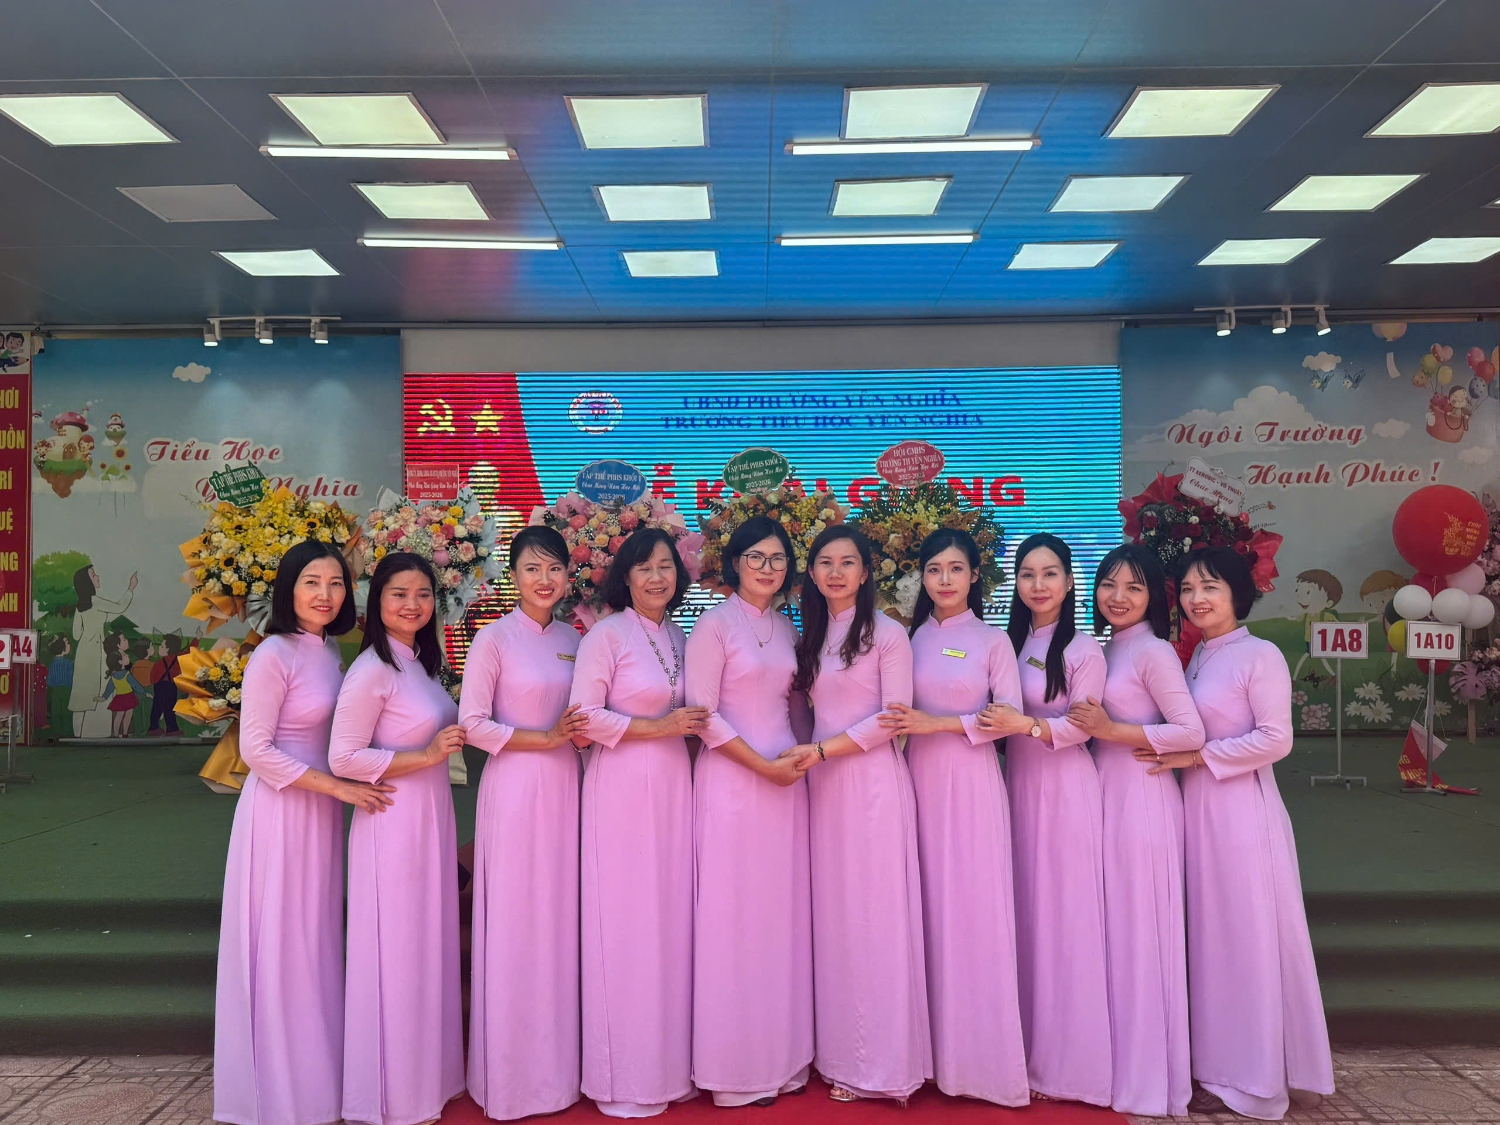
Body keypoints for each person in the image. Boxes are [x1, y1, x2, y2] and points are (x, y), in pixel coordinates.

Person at [1144, 547, 1333, 1120]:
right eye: (1189, 589)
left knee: (1246, 941)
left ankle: (1255, 1079)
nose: (1197, 599)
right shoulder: (1198, 656)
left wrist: (1197, 758)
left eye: (1211, 587)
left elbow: (1276, 739)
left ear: (1237, 593)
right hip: (1198, 814)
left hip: (1242, 815)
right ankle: (1217, 1065)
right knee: (1212, 940)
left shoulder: (1261, 654)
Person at [214, 539, 394, 1125]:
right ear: (288, 589)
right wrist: (337, 788)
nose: (325, 594)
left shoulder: (330, 650)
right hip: (282, 811)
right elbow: (255, 750)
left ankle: (316, 1079)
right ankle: (279, 1093)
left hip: (320, 811)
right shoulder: (274, 653)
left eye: (336, 583)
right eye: (312, 582)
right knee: (282, 944)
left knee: (313, 941)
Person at [879, 527, 1028, 1107]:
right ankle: (926, 1055)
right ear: (921, 576)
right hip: (914, 782)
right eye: (934, 569)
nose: (945, 579)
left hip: (969, 787)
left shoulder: (993, 641)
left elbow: (1009, 717)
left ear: (975, 576)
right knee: (923, 911)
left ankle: (980, 1063)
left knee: (970, 911)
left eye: (956, 569)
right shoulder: (907, 637)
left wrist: (936, 724)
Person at [787, 526, 931, 1105]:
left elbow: (894, 717)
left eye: (848, 562)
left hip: (870, 786)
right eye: (825, 562)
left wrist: (823, 751)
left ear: (866, 572)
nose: (836, 572)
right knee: (837, 919)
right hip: (823, 788)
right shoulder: (811, 635)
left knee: (876, 917)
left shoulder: (888, 634)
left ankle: (884, 1065)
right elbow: (803, 711)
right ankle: (841, 1054)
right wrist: (802, 754)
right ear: (812, 573)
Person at [1066, 544, 1205, 1117]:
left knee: (1140, 935)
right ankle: (1111, 1063)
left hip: (1142, 799)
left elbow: (1190, 732)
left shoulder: (1153, 652)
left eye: (1134, 587)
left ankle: (1147, 1077)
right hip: (1105, 796)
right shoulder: (1105, 648)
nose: (1118, 597)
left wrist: (1113, 731)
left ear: (1154, 597)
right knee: (1113, 934)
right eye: (1108, 584)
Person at [569, 528, 703, 1118]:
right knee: (624, 924)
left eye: (666, 566)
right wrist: (658, 728)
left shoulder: (677, 634)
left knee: (668, 922)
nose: (656, 577)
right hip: (622, 788)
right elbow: (582, 718)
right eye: (644, 567)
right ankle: (622, 1075)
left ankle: (668, 1065)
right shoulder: (606, 635)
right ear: (625, 576)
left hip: (673, 785)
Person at [330, 552, 468, 1125]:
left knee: (426, 947)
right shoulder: (372, 669)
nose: (413, 605)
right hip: (392, 820)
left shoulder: (418, 662)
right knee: (398, 953)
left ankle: (428, 1077)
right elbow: (343, 758)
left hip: (429, 818)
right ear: (376, 602)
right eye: (399, 594)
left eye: (423, 594)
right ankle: (393, 1095)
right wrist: (426, 755)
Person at [459, 527, 590, 1121]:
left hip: (567, 787)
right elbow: (473, 724)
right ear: (513, 575)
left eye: (555, 568)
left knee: (560, 918)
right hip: (514, 788)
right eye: (532, 568)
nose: (545, 579)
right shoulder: (493, 639)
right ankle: (511, 1079)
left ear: (568, 576)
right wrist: (545, 738)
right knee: (516, 919)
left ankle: (558, 1071)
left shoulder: (574, 638)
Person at [979, 532, 1110, 1106]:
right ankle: (1024, 1048)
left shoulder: (1082, 650)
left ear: (1070, 581)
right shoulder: (1008, 642)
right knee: (1026, 918)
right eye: (1028, 574)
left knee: (1064, 920)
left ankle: (1071, 1066)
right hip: (1016, 790)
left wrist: (1027, 726)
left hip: (1064, 791)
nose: (1038, 584)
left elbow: (1084, 727)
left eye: (1050, 573)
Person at [686, 515, 813, 1108]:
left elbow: (796, 707)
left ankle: (782, 1056)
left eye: (777, 558)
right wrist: (762, 767)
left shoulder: (788, 628)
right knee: (733, 919)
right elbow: (703, 716)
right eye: (756, 557)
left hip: (786, 785)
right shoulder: (712, 627)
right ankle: (735, 1070)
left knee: (779, 917)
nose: (767, 567)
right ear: (734, 563)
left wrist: (807, 757)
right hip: (734, 783)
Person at [68, 565, 137, 736]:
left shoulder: (80, 606)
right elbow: (119, 607)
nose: (97, 576)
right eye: (93, 575)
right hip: (97, 651)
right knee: (100, 689)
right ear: (87, 582)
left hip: (84, 651)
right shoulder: (95, 601)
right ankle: (99, 733)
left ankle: (78, 734)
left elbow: (76, 634)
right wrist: (130, 588)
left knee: (83, 692)